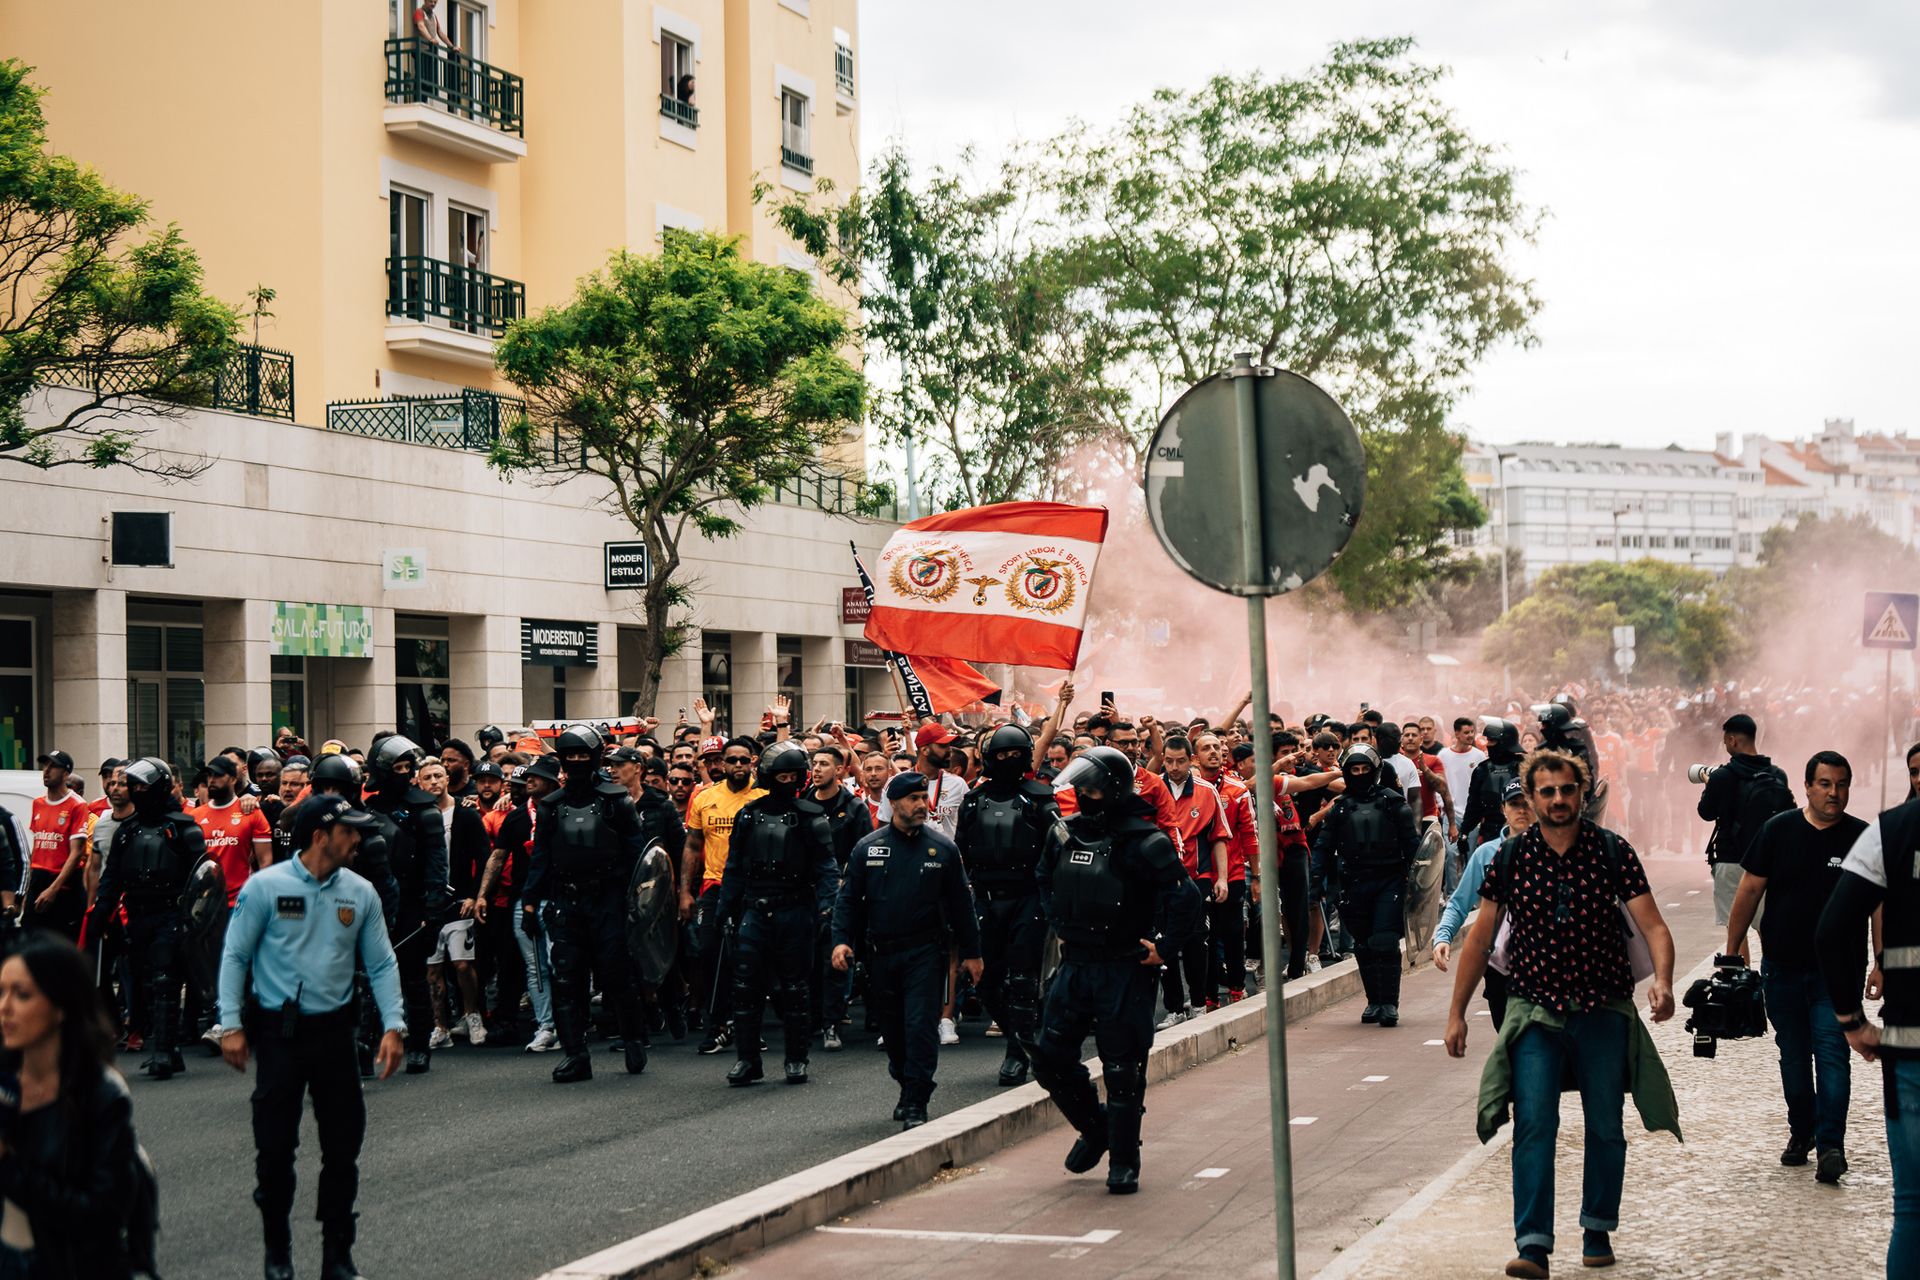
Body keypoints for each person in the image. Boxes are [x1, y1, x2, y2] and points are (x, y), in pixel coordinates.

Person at [1444, 749, 1678, 1279]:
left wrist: (1662, 982)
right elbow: (1480, 938)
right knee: (1533, 1125)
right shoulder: (1510, 858)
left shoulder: (1614, 852)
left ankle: (1597, 1229)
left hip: (1602, 1010)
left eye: (1566, 790)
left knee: (1605, 1124)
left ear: (1583, 792)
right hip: (1534, 1012)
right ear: (1530, 798)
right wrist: (1456, 1011)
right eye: (1546, 791)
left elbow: (1655, 927)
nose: (1557, 800)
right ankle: (1532, 1246)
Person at [219, 795, 403, 1280]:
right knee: (275, 1151)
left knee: (343, 1149)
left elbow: (382, 961)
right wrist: (231, 1024)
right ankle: (277, 1254)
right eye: (350, 831)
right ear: (321, 836)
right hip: (279, 1036)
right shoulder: (265, 888)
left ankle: (337, 1256)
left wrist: (393, 1025)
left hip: (336, 1036)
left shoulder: (360, 892)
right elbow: (235, 956)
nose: (359, 840)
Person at [1030, 745, 1200, 1194]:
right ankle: (1098, 1129)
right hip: (1075, 965)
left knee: (1123, 1069)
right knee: (1049, 1058)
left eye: (1094, 788)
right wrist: (1060, 922)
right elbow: (1044, 879)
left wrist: (1164, 948)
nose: (1085, 795)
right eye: (1080, 787)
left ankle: (1124, 1161)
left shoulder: (1146, 841)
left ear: (1114, 790)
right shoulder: (1061, 834)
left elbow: (1186, 900)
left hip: (1125, 967)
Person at [1726, 749, 1867, 1184]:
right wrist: (1733, 948)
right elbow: (1749, 890)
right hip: (1783, 968)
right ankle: (1800, 1132)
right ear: (1807, 787)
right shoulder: (1778, 830)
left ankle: (1831, 1145)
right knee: (1793, 1056)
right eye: (1825, 783)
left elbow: (1878, 906)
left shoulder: (1863, 838)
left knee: (1833, 1054)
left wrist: (1881, 961)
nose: (1834, 792)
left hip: (1838, 974)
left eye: (1841, 784)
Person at [831, 772, 983, 1128]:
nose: (921, 805)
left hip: (926, 953)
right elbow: (849, 901)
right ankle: (905, 1082)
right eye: (913, 798)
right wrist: (841, 941)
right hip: (881, 954)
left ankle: (917, 1099)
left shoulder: (943, 848)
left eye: (923, 797)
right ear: (894, 803)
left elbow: (962, 906)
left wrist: (973, 953)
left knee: (920, 1028)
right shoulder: (868, 847)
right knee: (894, 1031)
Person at [1817, 784, 1920, 1276]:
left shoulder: (1893, 830)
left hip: (1912, 1049)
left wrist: (1852, 1022)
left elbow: (1833, 927)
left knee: (1915, 1208)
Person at [0, 932, 146, 1279]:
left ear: (61, 1006)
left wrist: (8, 1164)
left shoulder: (102, 1094)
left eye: (21, 995)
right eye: (0, 992)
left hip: (70, 1265)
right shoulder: (4, 1079)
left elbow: (100, 1216)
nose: (4, 1007)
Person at [522, 725, 650, 1083]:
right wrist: (531, 901)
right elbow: (542, 856)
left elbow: (637, 855)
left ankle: (633, 1039)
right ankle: (576, 1054)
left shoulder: (616, 800)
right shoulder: (551, 806)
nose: (577, 761)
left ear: (594, 758)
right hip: (566, 900)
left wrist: (636, 904)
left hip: (609, 899)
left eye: (583, 755)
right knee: (567, 979)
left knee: (617, 975)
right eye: (570, 756)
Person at [715, 741, 840, 1086]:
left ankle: (796, 1059)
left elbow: (827, 867)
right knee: (745, 986)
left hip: (795, 909)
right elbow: (735, 866)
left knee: (794, 988)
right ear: (769, 776)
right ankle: (748, 1060)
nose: (786, 780)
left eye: (792, 775)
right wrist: (725, 907)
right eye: (780, 775)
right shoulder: (748, 814)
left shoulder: (811, 816)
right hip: (755, 908)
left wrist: (829, 907)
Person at [82, 758, 207, 1083]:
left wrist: (193, 922)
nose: (137, 791)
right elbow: (111, 878)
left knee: (166, 978)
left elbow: (203, 879)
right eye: (133, 785)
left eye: (143, 786)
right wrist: (99, 912)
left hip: (172, 913)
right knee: (143, 980)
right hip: (137, 915)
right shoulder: (127, 832)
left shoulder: (183, 829)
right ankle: (169, 1047)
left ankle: (164, 1051)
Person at [951, 724, 1057, 1085]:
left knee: (1023, 979)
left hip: (1028, 897)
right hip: (984, 897)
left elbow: (1058, 850)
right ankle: (1021, 1037)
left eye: (1015, 755)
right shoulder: (973, 801)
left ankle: (1017, 1053)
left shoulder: (1042, 799)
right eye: (1001, 755)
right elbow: (959, 852)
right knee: (984, 978)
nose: (1008, 761)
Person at [360, 735, 450, 1075]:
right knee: (368, 977)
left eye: (406, 767)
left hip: (413, 901)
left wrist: (434, 908)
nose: (403, 773)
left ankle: (419, 1046)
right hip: (374, 902)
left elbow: (436, 864)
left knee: (413, 976)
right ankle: (365, 1044)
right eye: (396, 767)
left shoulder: (424, 811)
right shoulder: (368, 809)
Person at [1311, 744, 1418, 1026]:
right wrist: (1315, 884)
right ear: (1346, 773)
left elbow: (1414, 847)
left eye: (1364, 770)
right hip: (1354, 882)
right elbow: (1323, 847)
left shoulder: (1395, 804)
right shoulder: (1340, 809)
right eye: (1354, 770)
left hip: (1389, 880)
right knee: (1363, 944)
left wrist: (1418, 883)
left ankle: (1389, 1003)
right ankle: (1373, 1001)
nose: (1359, 774)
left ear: (1375, 771)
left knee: (1384, 941)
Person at [680, 738, 764, 1055]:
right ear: (722, 764)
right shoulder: (704, 797)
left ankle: (748, 1026)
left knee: (750, 958)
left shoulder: (763, 795)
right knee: (709, 953)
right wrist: (684, 892)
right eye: (733, 761)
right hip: (714, 887)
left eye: (745, 760)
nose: (738, 766)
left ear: (752, 763)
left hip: (754, 889)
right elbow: (691, 845)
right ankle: (717, 1025)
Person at [1432, 779, 1535, 1028]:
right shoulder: (1486, 854)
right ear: (1503, 809)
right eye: (1514, 804)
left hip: (1542, 959)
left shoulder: (1555, 850)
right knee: (1507, 1036)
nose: (1521, 810)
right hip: (1499, 962)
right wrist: (1442, 937)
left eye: (1527, 804)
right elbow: (1459, 903)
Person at [1697, 713, 1795, 942]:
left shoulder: (1722, 776)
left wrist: (1709, 785)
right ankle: (1771, 971)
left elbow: (1705, 812)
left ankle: (1740, 973)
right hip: (1767, 861)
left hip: (1731, 860)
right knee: (1767, 924)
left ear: (1732, 740)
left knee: (1735, 927)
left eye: (1725, 742)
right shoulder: (1777, 775)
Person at [800, 747, 872, 1053]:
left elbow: (863, 853)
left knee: (834, 958)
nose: (817, 769)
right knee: (806, 959)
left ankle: (832, 1021)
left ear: (840, 770)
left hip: (841, 892)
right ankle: (812, 1017)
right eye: (814, 764)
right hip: (804, 891)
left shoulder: (854, 808)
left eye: (824, 764)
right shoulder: (802, 804)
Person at [27, 751, 88, 939]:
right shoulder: (37, 803)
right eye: (45, 765)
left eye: (53, 766)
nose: (46, 770)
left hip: (62, 882)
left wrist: (53, 889)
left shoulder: (76, 805)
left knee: (60, 941)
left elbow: (76, 852)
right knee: (30, 938)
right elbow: (36, 846)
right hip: (39, 877)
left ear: (65, 773)